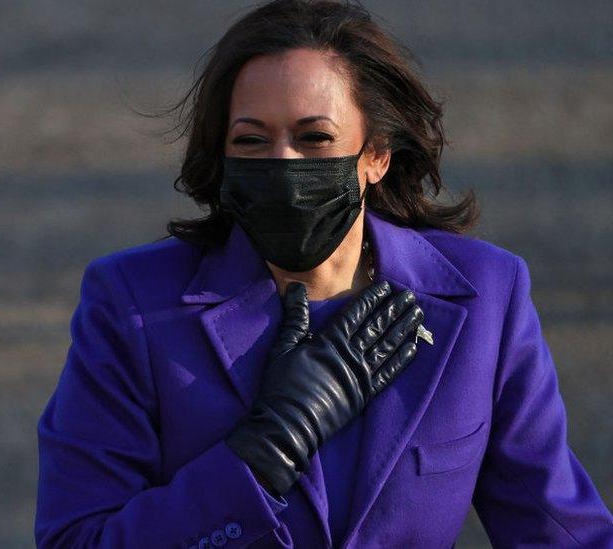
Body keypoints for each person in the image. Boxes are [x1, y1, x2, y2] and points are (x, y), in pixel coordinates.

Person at [34, 0, 613, 547]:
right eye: (252, 140)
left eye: (315, 139)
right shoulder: (131, 305)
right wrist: (263, 450)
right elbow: (77, 538)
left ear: (377, 155)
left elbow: (559, 530)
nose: (283, 164)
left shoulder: (487, 297)